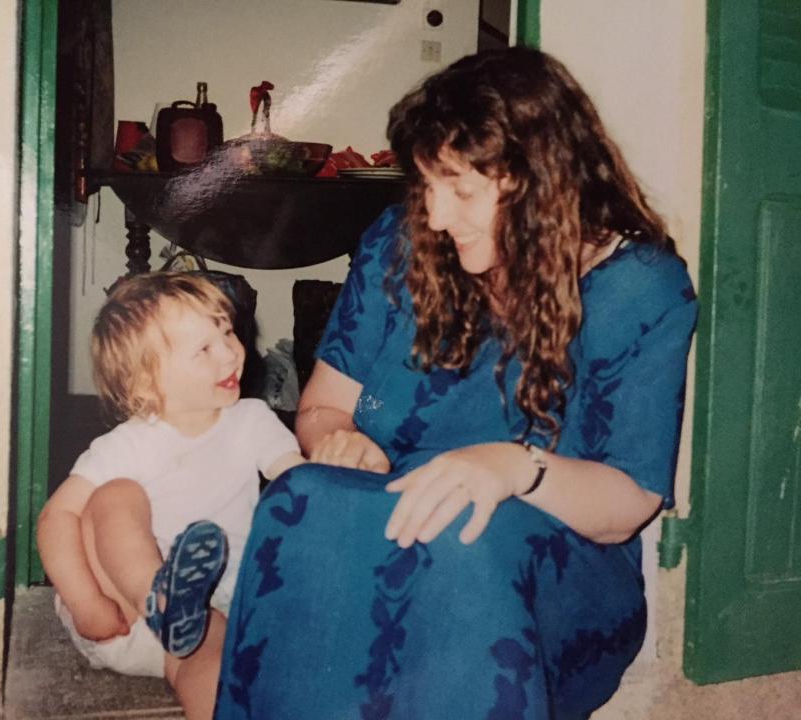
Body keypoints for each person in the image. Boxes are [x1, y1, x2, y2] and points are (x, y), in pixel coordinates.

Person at [215, 47, 697, 719]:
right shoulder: (401, 242)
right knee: (300, 496)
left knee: (458, 539)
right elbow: (323, 408)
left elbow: (628, 502)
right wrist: (340, 439)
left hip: (548, 548)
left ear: (543, 184)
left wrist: (511, 469)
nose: (436, 216)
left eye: (461, 190)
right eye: (427, 186)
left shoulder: (639, 289)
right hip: (390, 508)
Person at [37, 272, 303, 720]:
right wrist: (86, 603)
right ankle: (160, 600)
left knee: (212, 666)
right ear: (146, 384)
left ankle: (186, 626)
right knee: (112, 496)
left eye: (226, 332)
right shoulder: (130, 444)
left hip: (213, 612)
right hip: (120, 612)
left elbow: (301, 488)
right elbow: (56, 517)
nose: (230, 353)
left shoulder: (252, 421)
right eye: (204, 349)